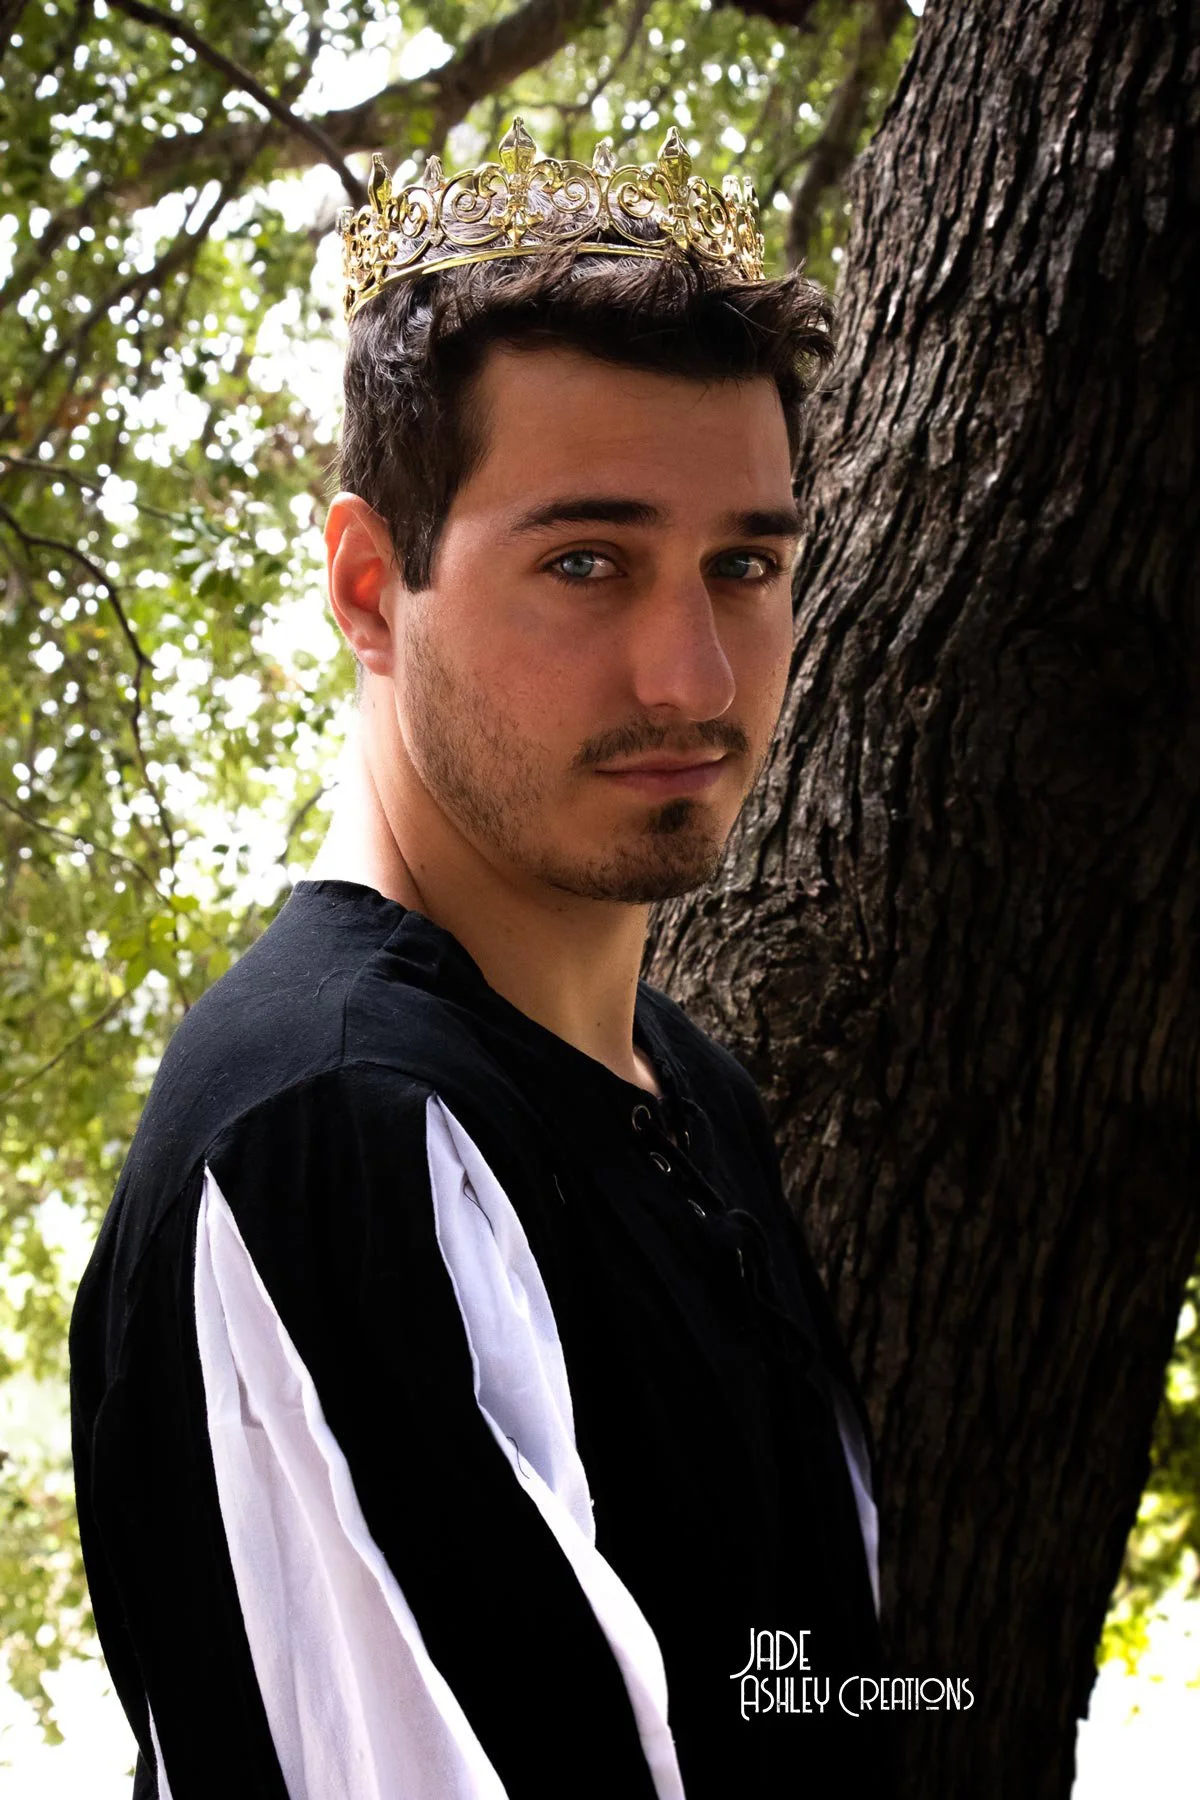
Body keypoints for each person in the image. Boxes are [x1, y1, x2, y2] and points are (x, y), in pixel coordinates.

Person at [70, 120, 891, 1799]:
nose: (696, 680)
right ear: (372, 590)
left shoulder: (689, 1090)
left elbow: (796, 1687)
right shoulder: (335, 1134)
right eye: (585, 563)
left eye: (745, 566)